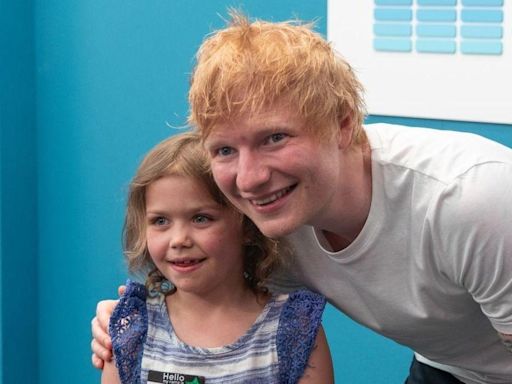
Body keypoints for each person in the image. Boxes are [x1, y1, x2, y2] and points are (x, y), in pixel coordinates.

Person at [93, 12, 512, 384]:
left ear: (343, 124)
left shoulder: (471, 199)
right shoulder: (264, 219)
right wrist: (120, 317)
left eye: (275, 138)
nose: (250, 178)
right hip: (451, 366)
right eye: (224, 150)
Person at [100, 132, 333, 384]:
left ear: (247, 225)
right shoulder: (133, 328)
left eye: (201, 218)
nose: (178, 239)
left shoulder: (294, 329)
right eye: (160, 221)